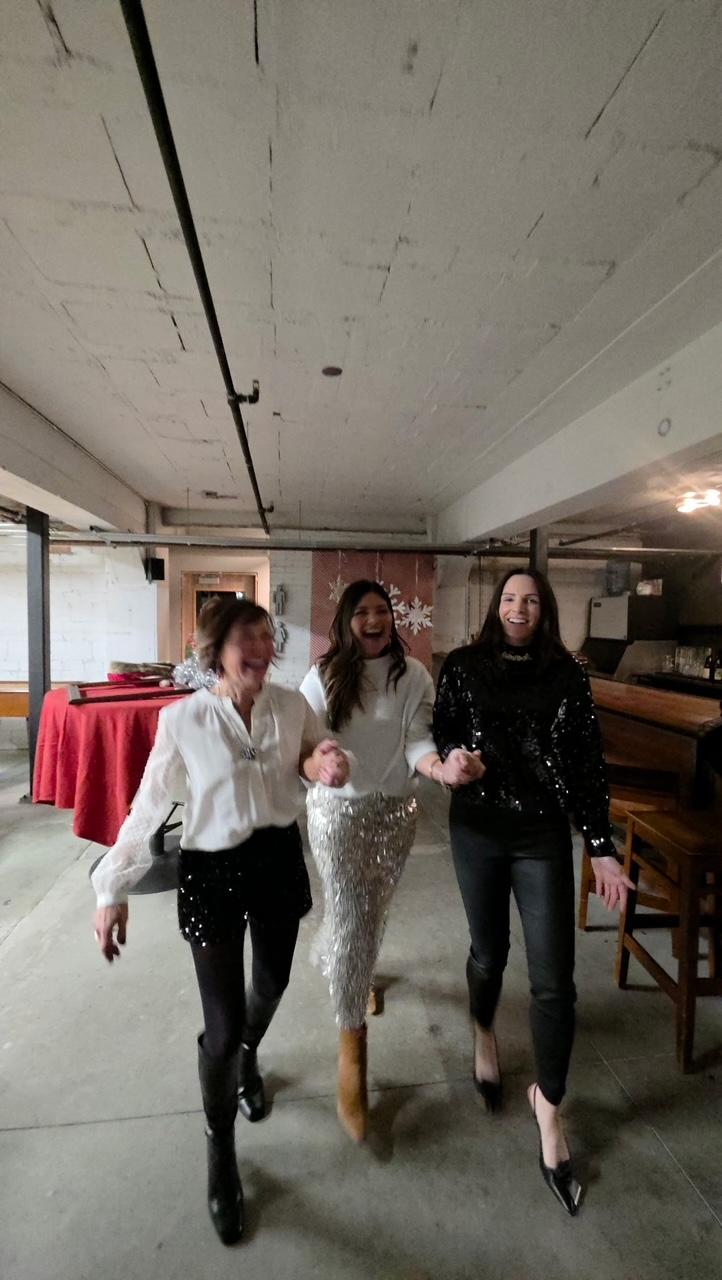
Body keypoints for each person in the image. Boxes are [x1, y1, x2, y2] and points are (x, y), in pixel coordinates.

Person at [91, 598, 348, 1246]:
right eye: (245, 639)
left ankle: (250, 1057)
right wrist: (112, 886)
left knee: (272, 985)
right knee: (222, 1024)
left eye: (266, 636)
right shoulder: (183, 719)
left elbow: (312, 755)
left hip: (276, 858)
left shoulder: (291, 705)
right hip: (210, 870)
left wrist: (325, 762)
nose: (260, 649)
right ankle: (220, 1148)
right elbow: (149, 805)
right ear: (215, 652)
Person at [433, 568, 632, 1216]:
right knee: (489, 953)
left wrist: (599, 844)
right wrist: (452, 759)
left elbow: (586, 760)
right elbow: (443, 730)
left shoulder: (567, 675)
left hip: (542, 833)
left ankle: (549, 1106)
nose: (519, 608)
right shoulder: (463, 666)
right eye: (511, 599)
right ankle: (484, 1031)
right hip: (478, 828)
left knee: (554, 982)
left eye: (532, 600)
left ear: (545, 611)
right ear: (498, 606)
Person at [300, 580, 452, 1142]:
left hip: (395, 814)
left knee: (372, 910)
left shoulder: (413, 676)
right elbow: (306, 746)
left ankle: (355, 970)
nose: (373, 620)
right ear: (346, 622)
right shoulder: (321, 677)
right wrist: (323, 761)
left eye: (381, 611)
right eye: (361, 612)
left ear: (393, 619)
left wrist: (437, 768)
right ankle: (352, 1049)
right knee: (351, 914)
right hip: (336, 814)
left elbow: (417, 741)